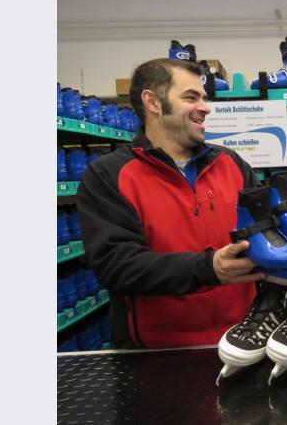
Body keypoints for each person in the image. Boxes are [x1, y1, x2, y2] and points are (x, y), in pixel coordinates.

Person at [77, 58, 263, 349]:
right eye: (191, 97)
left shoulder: (231, 163)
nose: (205, 107)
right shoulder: (109, 175)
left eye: (203, 98)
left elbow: (263, 229)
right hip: (157, 352)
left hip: (242, 342)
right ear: (152, 102)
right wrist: (208, 268)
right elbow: (117, 264)